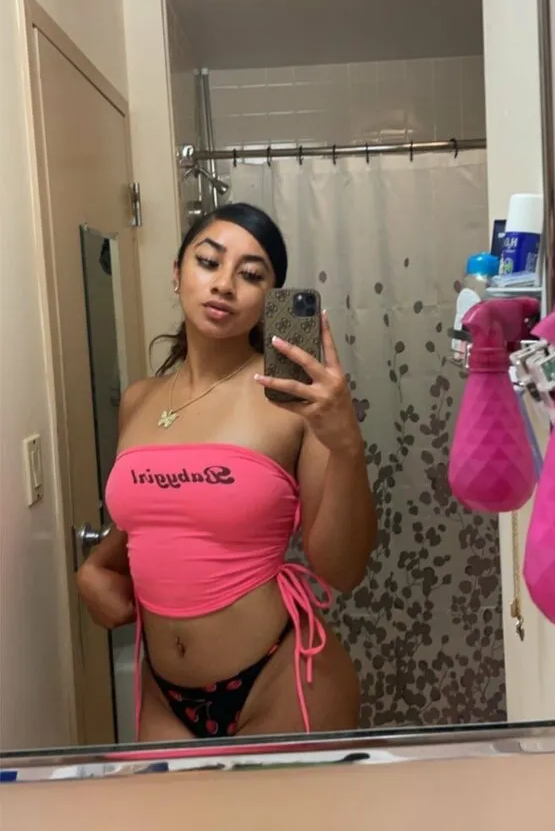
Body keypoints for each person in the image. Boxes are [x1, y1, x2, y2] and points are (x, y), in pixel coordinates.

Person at [77, 202, 377, 742]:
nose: (224, 285)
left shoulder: (292, 400)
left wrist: (346, 446)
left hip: (280, 680)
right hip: (164, 694)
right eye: (209, 262)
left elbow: (342, 569)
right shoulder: (139, 400)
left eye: (251, 274)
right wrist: (94, 569)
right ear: (177, 272)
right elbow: (152, 520)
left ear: (270, 298)